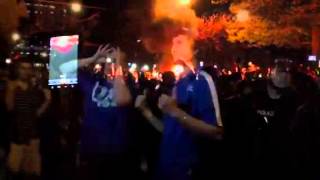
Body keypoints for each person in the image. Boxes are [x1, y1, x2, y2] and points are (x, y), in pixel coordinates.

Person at [136, 38, 224, 180]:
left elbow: (216, 132)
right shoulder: (178, 83)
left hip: (186, 170)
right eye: (173, 43)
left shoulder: (201, 80)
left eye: (180, 42)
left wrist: (175, 112)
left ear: (194, 50)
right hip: (165, 168)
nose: (173, 47)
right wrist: (146, 112)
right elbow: (169, 130)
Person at [60, 45, 134, 180]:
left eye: (114, 61)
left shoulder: (130, 85)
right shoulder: (92, 81)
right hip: (91, 147)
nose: (108, 64)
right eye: (107, 61)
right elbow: (61, 67)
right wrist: (92, 59)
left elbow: (122, 99)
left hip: (115, 151)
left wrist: (117, 68)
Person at [247, 59, 297, 179]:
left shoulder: (293, 99)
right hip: (260, 153)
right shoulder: (257, 95)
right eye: (280, 71)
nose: (283, 75)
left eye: (286, 72)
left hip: (283, 155)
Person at [5, 58, 51, 180]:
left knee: (31, 173)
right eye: (22, 68)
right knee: (13, 171)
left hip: (33, 135)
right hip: (17, 135)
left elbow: (37, 113)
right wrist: (10, 90)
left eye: (28, 68)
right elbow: (9, 108)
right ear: (17, 70)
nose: (25, 71)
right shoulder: (12, 86)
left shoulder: (35, 89)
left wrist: (47, 101)